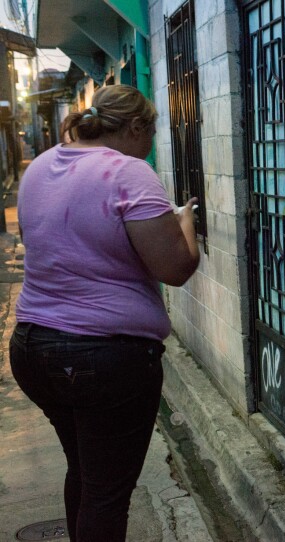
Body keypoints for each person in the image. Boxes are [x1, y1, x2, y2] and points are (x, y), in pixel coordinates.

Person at [8, 84, 199, 542]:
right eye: (151, 134)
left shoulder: (40, 168)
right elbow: (174, 268)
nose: (150, 145)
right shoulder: (128, 172)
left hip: (33, 347)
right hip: (103, 358)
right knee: (108, 494)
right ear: (136, 127)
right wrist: (185, 222)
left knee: (87, 475)